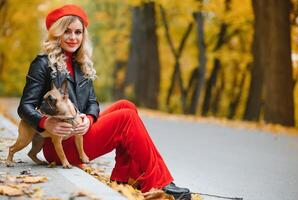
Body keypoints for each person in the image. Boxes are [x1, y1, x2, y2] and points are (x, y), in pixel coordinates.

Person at [18, 4, 191, 199]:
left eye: (78, 32)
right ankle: (160, 184)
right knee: (125, 118)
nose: (73, 37)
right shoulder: (42, 64)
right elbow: (24, 107)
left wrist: (89, 120)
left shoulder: (81, 63)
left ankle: (123, 178)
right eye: (67, 31)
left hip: (79, 134)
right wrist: (45, 122)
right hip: (59, 145)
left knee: (127, 106)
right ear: (56, 32)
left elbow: (93, 103)